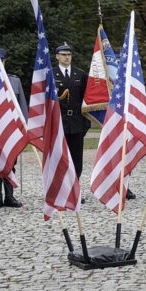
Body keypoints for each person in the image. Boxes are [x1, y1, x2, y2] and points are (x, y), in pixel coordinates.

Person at [54, 43, 90, 202]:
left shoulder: (80, 74)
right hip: (58, 122)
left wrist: (85, 123)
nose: (66, 57)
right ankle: (61, 190)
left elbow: (86, 100)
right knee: (60, 157)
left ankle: (75, 190)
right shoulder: (51, 74)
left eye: (68, 54)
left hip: (76, 122)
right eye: (63, 54)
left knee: (76, 158)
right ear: (57, 56)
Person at [0, 48, 27, 209]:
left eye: (1, 60)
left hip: (11, 131)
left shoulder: (14, 81)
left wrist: (24, 127)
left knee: (10, 162)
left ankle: (9, 197)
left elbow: (22, 107)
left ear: (5, 61)